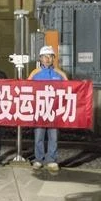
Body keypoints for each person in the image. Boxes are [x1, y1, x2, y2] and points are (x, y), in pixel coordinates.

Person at [27, 45, 68, 174]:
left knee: (53, 136)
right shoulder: (35, 73)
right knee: (39, 136)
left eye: (50, 56)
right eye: (45, 56)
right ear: (40, 58)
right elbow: (26, 88)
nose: (47, 59)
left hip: (54, 110)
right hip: (40, 110)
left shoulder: (59, 74)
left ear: (53, 58)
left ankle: (51, 160)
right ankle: (39, 159)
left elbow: (69, 87)